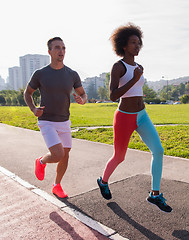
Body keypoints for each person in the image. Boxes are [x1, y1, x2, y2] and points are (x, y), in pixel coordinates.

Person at [97, 24, 172, 213]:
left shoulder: (139, 67)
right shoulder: (118, 67)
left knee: (159, 151)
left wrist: (138, 77)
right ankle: (103, 181)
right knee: (119, 156)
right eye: (133, 43)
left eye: (139, 43)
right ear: (123, 45)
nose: (137, 46)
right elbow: (113, 96)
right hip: (124, 117)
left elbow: (137, 89)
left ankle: (155, 194)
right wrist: (133, 78)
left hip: (142, 115)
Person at [24, 37, 87, 198]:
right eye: (57, 48)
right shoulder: (40, 74)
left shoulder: (72, 74)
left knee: (65, 155)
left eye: (64, 48)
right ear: (49, 52)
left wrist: (82, 100)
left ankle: (57, 185)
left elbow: (83, 93)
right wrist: (33, 109)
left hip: (64, 120)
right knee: (58, 154)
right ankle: (41, 161)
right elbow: (28, 93)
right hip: (47, 121)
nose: (61, 51)